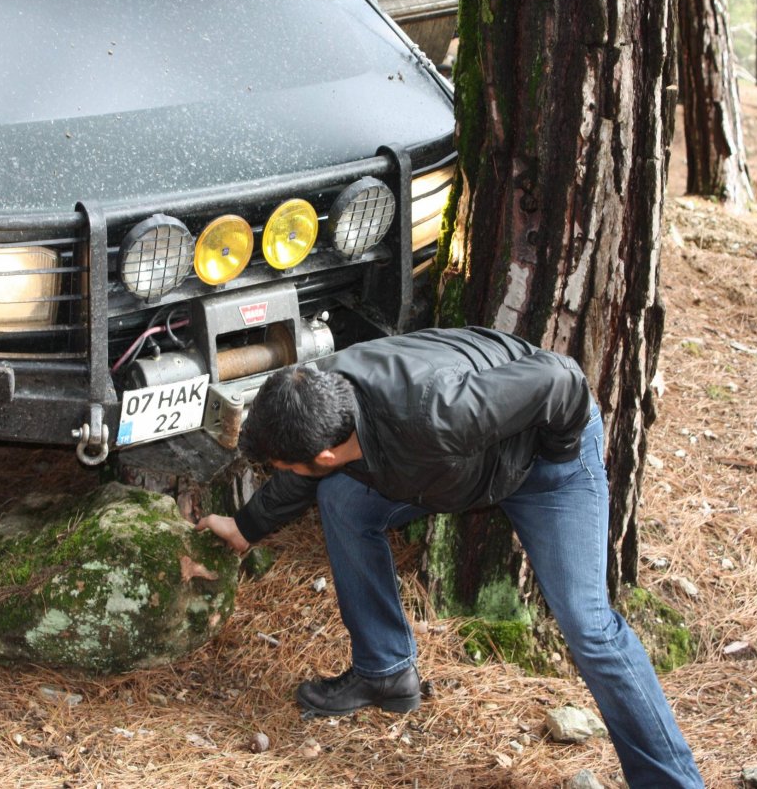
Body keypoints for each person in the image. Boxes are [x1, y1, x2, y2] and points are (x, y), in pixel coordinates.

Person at [196, 326, 703, 789]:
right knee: (342, 499)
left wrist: (550, 460)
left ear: (326, 455)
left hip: (546, 465)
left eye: (285, 465)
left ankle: (671, 782)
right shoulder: (319, 401)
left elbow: (561, 379)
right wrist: (244, 527)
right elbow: (303, 470)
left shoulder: (437, 412)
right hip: (451, 462)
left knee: (588, 626)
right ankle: (385, 671)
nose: (287, 471)